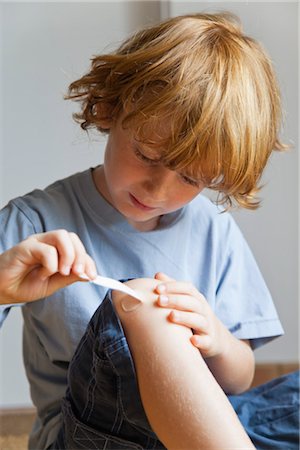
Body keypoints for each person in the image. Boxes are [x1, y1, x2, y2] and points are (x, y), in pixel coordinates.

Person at [0, 11, 298, 450]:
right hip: (93, 433)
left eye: (191, 180)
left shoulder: (215, 231)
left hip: (202, 427)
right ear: (109, 109)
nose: (158, 189)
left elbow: (239, 380)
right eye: (147, 155)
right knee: (143, 300)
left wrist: (214, 339)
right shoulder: (35, 222)